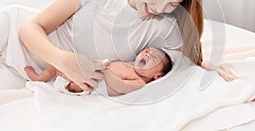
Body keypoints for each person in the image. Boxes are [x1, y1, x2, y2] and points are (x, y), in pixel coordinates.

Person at [18, 0, 204, 92]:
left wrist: (214, 73)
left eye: (172, 4)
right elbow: (29, 29)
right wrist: (62, 60)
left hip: (31, 71)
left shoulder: (165, 27)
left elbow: (185, 68)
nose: (159, 8)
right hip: (14, 38)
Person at [24, 47, 173, 96]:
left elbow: (121, 86)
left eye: (153, 57)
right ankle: (41, 78)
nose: (147, 54)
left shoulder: (140, 82)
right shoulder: (128, 64)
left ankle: (70, 79)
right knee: (63, 58)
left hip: (94, 84)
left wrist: (105, 71)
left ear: (157, 75)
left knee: (85, 81)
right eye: (146, 51)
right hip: (93, 70)